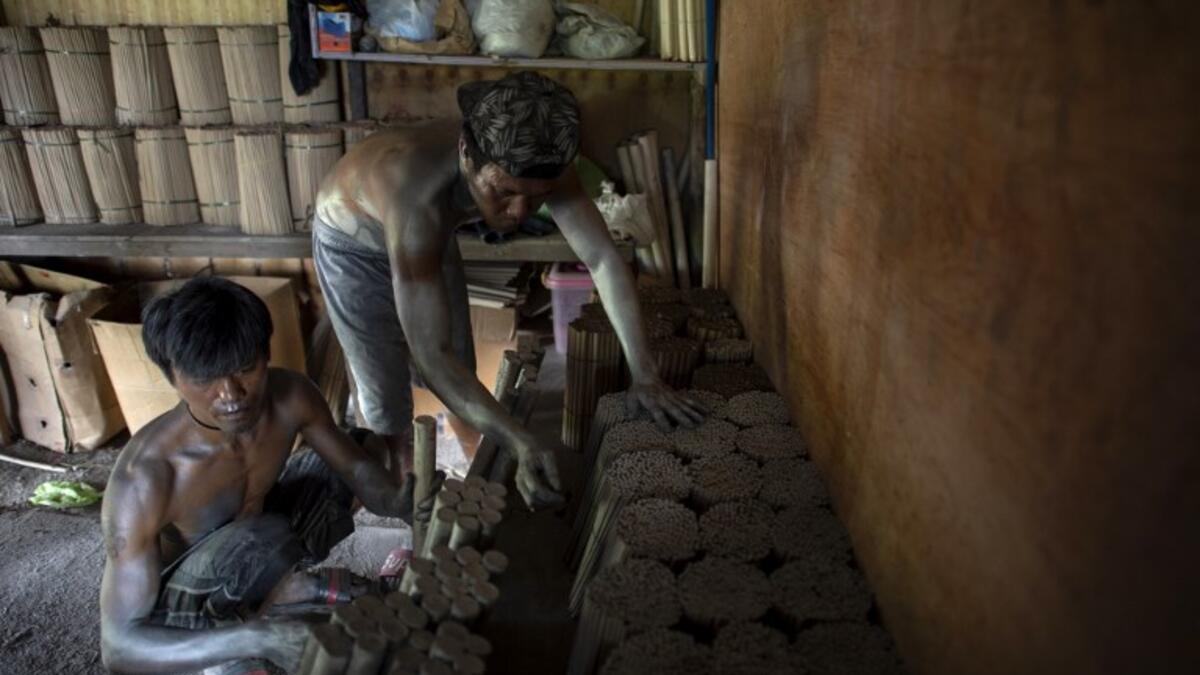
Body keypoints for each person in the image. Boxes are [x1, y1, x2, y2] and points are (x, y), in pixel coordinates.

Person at [313, 71, 705, 508]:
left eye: (538, 197)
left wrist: (645, 374)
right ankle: (404, 489)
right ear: (466, 154)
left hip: (428, 234)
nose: (520, 212)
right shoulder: (417, 201)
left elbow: (603, 260)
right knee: (384, 393)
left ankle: (477, 469)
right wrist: (522, 439)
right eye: (503, 192)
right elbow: (430, 355)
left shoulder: (543, 163)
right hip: (352, 240)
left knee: (461, 364)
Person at [99, 277, 433, 675]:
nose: (230, 394)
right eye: (205, 379)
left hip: (262, 543)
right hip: (188, 609)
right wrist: (257, 638)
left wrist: (394, 501)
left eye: (245, 368)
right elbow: (119, 648)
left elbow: (356, 468)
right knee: (259, 538)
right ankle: (253, 626)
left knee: (362, 451)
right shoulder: (146, 479)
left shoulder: (290, 396)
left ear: (266, 353)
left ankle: (281, 592)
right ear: (172, 376)